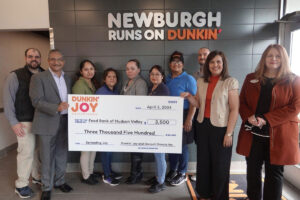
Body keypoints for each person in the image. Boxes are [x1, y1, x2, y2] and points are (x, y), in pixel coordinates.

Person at [236, 44, 300, 200]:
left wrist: (267, 119)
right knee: (252, 172)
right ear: (264, 58)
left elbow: (295, 107)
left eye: (278, 56)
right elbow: (242, 101)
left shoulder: (293, 80)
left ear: (283, 59)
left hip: (279, 136)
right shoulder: (251, 77)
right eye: (270, 56)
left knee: (274, 175)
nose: (273, 59)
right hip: (253, 135)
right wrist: (248, 116)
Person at [182, 50, 239, 200]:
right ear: (208, 65)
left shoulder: (230, 82)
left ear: (223, 63)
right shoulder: (201, 81)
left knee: (220, 166)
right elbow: (198, 104)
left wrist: (229, 133)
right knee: (204, 163)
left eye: (218, 62)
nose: (215, 65)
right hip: (202, 126)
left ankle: (219, 196)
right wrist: (189, 96)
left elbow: (234, 109)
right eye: (212, 62)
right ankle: (205, 194)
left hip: (221, 129)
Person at [29, 49, 73, 200]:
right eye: (53, 59)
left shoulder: (67, 79)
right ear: (48, 61)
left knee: (62, 154)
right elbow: (36, 101)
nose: (56, 62)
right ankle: (46, 187)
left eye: (59, 59)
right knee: (46, 157)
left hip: (65, 121)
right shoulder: (38, 78)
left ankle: (60, 181)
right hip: (46, 122)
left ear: (64, 61)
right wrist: (56, 108)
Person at [3, 48, 43, 198]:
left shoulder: (44, 74)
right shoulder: (15, 76)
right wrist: (14, 123)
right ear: (25, 57)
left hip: (41, 121)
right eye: (31, 56)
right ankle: (21, 185)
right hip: (24, 122)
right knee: (26, 153)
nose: (34, 59)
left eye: (37, 57)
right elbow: (8, 101)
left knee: (36, 151)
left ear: (40, 59)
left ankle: (36, 176)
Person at [165, 51, 197, 186]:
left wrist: (189, 119)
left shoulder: (189, 78)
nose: (176, 64)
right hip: (169, 114)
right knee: (172, 144)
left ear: (182, 64)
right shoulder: (166, 78)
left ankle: (182, 173)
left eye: (179, 62)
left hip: (184, 114)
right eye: (173, 62)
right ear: (170, 64)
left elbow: (194, 101)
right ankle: (173, 169)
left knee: (182, 146)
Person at [72, 60, 99, 185]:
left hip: (93, 121)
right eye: (86, 69)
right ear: (81, 71)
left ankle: (91, 171)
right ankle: (86, 176)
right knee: (85, 150)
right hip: (84, 122)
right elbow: (78, 106)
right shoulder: (79, 84)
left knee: (92, 148)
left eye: (91, 69)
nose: (89, 72)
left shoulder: (92, 83)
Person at [121, 59, 148, 184]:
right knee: (133, 148)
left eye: (132, 68)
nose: (129, 71)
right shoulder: (127, 82)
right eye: (127, 69)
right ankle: (136, 173)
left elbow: (140, 104)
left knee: (136, 149)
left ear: (138, 70)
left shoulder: (140, 82)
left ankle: (136, 174)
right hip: (127, 120)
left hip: (136, 121)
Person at [95, 68, 123, 186]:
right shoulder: (101, 91)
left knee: (109, 151)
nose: (112, 79)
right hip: (103, 126)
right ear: (104, 79)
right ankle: (107, 176)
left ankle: (109, 171)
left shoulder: (115, 91)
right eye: (109, 77)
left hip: (112, 126)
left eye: (114, 77)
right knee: (105, 151)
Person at [145, 65, 170, 193]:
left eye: (157, 74)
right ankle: (158, 177)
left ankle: (161, 182)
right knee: (156, 154)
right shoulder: (151, 88)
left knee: (160, 155)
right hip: (152, 126)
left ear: (162, 76)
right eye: (152, 74)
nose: (154, 77)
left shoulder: (163, 89)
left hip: (160, 127)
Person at [191, 47, 210, 182]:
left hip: (212, 116)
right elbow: (195, 98)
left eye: (205, 54)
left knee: (210, 146)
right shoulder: (195, 75)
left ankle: (209, 174)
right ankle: (202, 174)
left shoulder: (217, 75)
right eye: (200, 55)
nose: (202, 57)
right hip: (198, 114)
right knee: (201, 145)